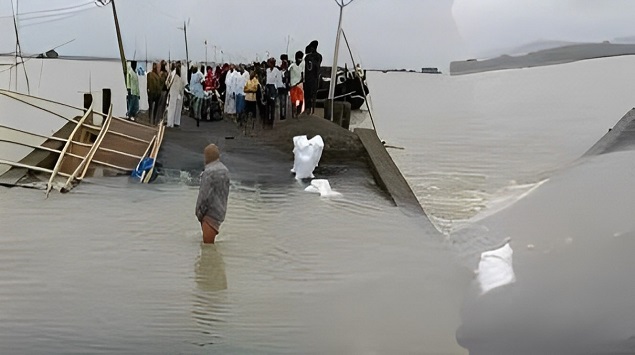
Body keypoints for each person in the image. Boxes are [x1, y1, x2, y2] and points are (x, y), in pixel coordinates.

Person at [195, 144, 230, 244]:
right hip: (220, 212)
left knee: (207, 248)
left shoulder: (209, 172)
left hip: (209, 215)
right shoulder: (225, 170)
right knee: (211, 247)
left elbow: (204, 196)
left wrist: (199, 213)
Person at [303, 40, 322, 115]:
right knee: (308, 94)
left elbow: (316, 66)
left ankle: (310, 109)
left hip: (313, 78)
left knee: (311, 94)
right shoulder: (308, 57)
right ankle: (309, 109)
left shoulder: (316, 57)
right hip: (310, 78)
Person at [265, 58, 282, 128]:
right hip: (268, 87)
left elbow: (279, 81)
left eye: (270, 63)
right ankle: (267, 121)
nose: (269, 64)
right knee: (267, 106)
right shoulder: (267, 70)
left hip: (273, 88)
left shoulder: (277, 71)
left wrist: (277, 89)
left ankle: (271, 122)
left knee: (272, 106)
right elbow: (266, 79)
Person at [288, 50, 304, 117]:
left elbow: (302, 75)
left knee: (300, 100)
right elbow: (288, 74)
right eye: (299, 58)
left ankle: (298, 112)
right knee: (293, 100)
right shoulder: (292, 66)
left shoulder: (302, 66)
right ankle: (293, 113)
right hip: (292, 85)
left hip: (299, 85)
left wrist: (300, 81)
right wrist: (289, 83)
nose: (300, 60)